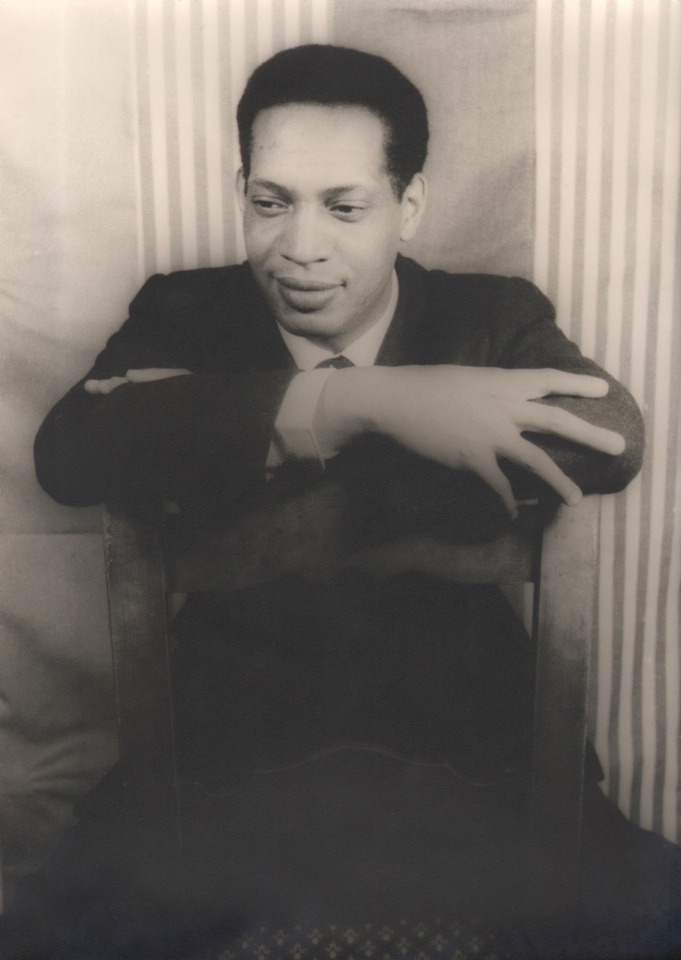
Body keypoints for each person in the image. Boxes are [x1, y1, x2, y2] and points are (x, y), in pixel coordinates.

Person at [18, 43, 680, 958]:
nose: (300, 246)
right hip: (220, 756)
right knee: (51, 930)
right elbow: (72, 452)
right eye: (270, 201)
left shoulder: (488, 316)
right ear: (240, 187)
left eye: (344, 206)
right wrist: (376, 401)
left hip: (475, 750)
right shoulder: (186, 312)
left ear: (408, 206)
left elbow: (612, 437)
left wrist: (231, 430)